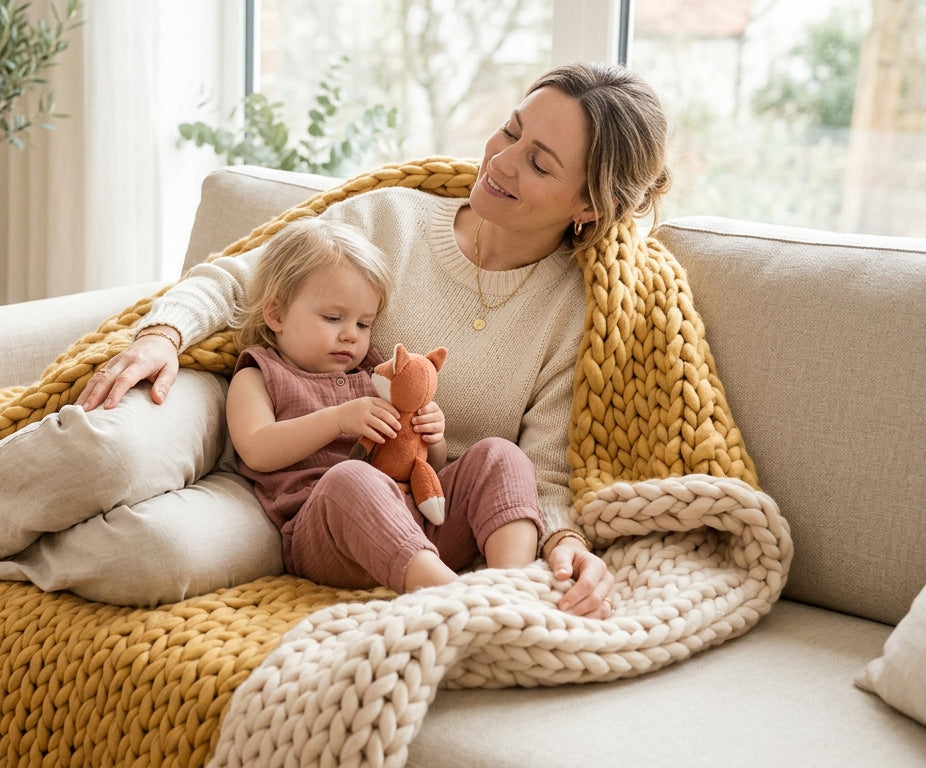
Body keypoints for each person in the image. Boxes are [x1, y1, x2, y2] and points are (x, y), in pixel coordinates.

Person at [79, 61, 674, 619]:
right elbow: (241, 279)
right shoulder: (388, 222)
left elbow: (541, 474)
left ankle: (507, 595)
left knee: (501, 455)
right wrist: (163, 334)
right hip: (336, 511)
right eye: (509, 130)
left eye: (540, 164)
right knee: (351, 480)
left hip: (441, 514)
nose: (501, 161)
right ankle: (459, 608)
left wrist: (566, 541)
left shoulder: (576, 313)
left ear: (590, 206)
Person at [226, 216, 545, 593]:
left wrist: (433, 437)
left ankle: (514, 586)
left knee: (500, 454)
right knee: (349, 478)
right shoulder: (261, 374)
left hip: (420, 521)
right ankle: (458, 597)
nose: (350, 335)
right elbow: (258, 449)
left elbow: (418, 462)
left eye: (364, 324)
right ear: (276, 314)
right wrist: (337, 419)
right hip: (331, 537)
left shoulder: (373, 374)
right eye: (332, 318)